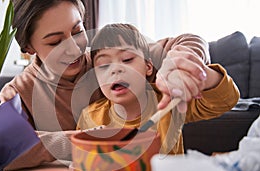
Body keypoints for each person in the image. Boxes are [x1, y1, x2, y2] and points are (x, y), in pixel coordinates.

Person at [0, 0, 239, 169]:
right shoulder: (19, 92)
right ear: (29, 49)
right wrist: (88, 141)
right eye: (55, 42)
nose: (74, 48)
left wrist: (182, 62)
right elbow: (3, 150)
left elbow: (188, 41)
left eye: (77, 30)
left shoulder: (107, 54)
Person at [77, 23, 240, 154]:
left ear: (148, 67)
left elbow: (226, 100)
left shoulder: (169, 101)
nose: (115, 69)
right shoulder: (89, 117)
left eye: (127, 59)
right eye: (104, 65)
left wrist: (201, 77)